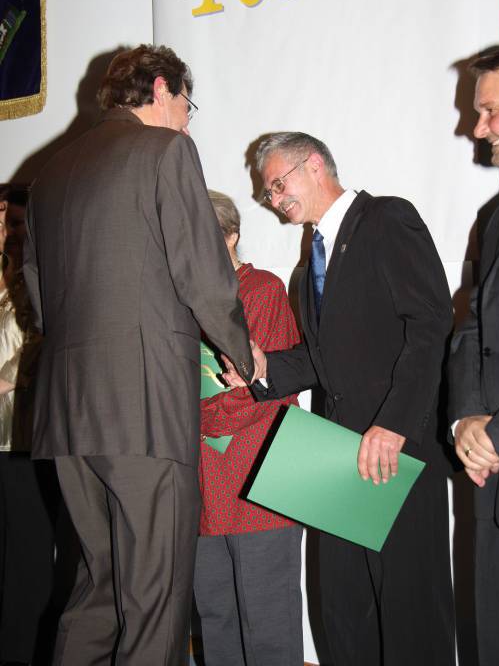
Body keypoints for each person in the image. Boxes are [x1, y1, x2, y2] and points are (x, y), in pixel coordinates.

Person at [22, 44, 254, 666]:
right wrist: (242, 352)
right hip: (144, 411)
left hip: (68, 416)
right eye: (185, 106)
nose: (186, 123)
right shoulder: (164, 151)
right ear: (160, 89)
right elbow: (203, 273)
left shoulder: (50, 175)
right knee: (155, 599)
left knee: (95, 592)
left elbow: (40, 300)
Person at [226, 132, 455, 665]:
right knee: (344, 616)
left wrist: (395, 424)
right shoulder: (308, 266)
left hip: (398, 453)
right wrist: (261, 371)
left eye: (277, 185)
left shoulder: (387, 219)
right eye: (268, 193)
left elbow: (429, 326)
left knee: (411, 615)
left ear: (314, 165)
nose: (274, 200)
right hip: (337, 461)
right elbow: (321, 360)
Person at [194, 190, 303, 666]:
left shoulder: (261, 290)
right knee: (215, 620)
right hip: (202, 489)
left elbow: (260, 392)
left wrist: (181, 419)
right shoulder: (182, 301)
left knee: (268, 625)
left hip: (260, 482)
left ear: (231, 236)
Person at [448, 44, 499, 666]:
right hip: (493, 478)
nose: (477, 127)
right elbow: (471, 330)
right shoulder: (497, 217)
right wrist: (467, 418)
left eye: (491, 110)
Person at [0, 187, 54, 666]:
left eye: (13, 223)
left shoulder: (40, 275)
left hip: (24, 437)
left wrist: (5, 378)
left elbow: (44, 338)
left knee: (29, 558)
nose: (6, 233)